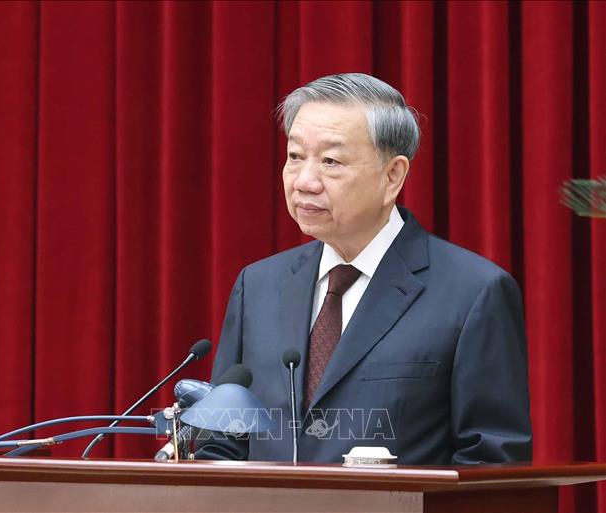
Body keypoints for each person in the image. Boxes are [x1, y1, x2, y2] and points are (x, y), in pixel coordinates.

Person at [196, 73, 532, 464]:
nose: (304, 181)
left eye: (330, 161)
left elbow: (491, 460)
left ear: (393, 176)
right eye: (295, 156)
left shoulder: (474, 292)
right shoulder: (257, 286)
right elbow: (221, 441)